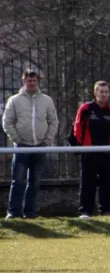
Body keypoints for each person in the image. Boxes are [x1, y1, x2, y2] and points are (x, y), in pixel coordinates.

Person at [2, 68, 58, 219]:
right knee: (18, 180)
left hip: (40, 147)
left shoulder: (46, 100)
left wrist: (46, 140)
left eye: (34, 80)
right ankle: (14, 212)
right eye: (29, 80)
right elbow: (7, 122)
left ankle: (30, 213)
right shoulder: (14, 100)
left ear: (38, 82)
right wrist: (17, 140)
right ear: (24, 81)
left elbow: (53, 121)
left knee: (35, 181)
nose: (32, 83)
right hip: (21, 147)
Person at [73, 81, 110, 218]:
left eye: (106, 92)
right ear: (95, 93)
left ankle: (105, 211)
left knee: (106, 183)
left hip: (107, 152)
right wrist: (83, 144)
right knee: (87, 183)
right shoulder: (85, 109)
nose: (104, 94)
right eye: (101, 91)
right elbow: (77, 128)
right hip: (89, 152)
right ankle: (85, 211)